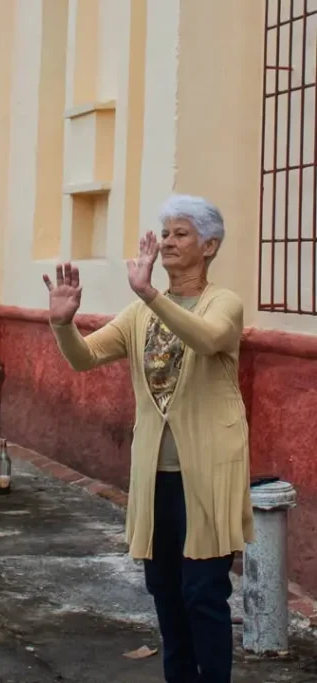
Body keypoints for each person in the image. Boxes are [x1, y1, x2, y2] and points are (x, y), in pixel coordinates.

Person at [43, 194, 253, 683]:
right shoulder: (139, 314)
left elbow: (205, 338)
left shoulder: (223, 303)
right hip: (155, 475)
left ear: (210, 245)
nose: (169, 242)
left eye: (182, 233)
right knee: (164, 587)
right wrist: (62, 323)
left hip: (209, 472)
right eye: (166, 233)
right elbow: (84, 358)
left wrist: (151, 296)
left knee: (204, 590)